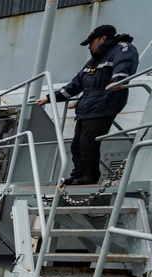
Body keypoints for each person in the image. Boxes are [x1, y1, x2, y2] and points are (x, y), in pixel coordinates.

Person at [36, 25, 138, 185]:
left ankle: (90, 176)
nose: (89, 46)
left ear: (103, 38)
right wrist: (50, 98)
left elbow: (124, 65)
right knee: (77, 145)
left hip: (104, 105)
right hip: (87, 108)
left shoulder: (123, 48)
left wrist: (117, 81)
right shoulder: (94, 61)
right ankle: (78, 174)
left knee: (88, 142)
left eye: (91, 42)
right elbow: (75, 85)